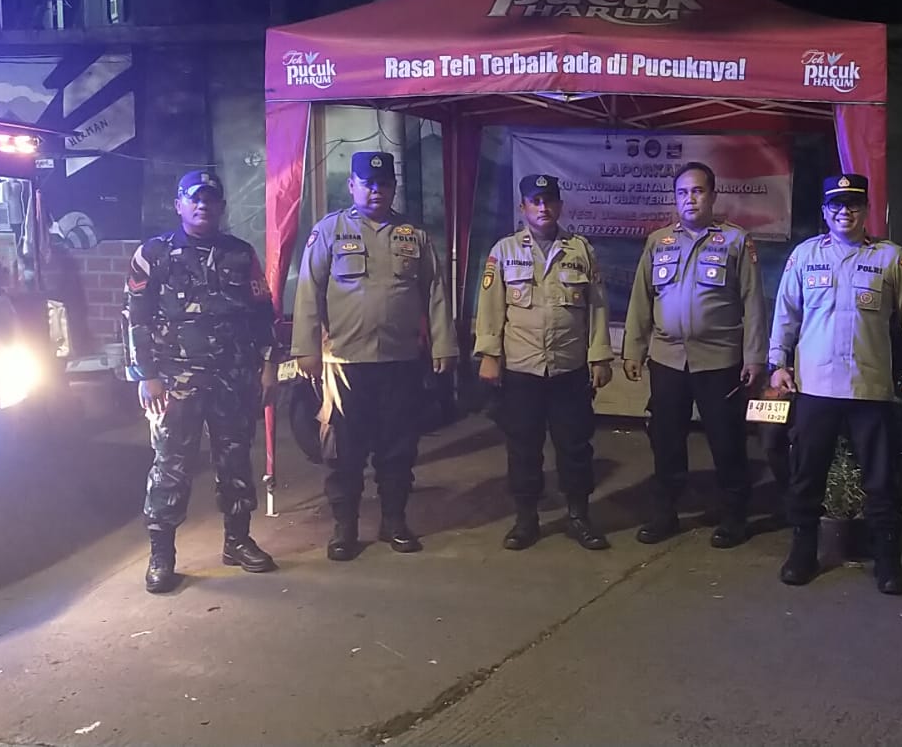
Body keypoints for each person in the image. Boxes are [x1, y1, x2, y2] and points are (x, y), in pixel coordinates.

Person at [768, 173, 902, 595]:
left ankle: (888, 561)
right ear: (825, 212)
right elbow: (786, 313)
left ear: (866, 210)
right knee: (807, 475)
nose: (845, 212)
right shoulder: (805, 256)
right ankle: (802, 553)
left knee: (882, 480)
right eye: (836, 205)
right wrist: (777, 362)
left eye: (854, 204)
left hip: (869, 389)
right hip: (815, 387)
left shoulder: (890, 258)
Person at [124, 170, 285, 594]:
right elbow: (136, 318)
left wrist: (269, 365)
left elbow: (263, 313)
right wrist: (147, 375)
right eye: (195, 199)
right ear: (178, 204)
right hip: (175, 382)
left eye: (211, 199)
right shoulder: (154, 254)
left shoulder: (240, 254)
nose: (203, 206)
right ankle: (162, 555)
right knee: (171, 467)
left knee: (235, 460)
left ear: (221, 206)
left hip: (233, 377)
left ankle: (238, 541)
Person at [293, 152, 458, 560]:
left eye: (384, 184)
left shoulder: (413, 235)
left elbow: (436, 292)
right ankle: (345, 527)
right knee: (344, 451)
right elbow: (308, 292)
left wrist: (444, 344)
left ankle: (394, 522)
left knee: (398, 447)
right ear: (352, 185)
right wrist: (306, 349)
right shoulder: (329, 230)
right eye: (367, 183)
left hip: (400, 361)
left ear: (393, 188)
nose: (376, 191)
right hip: (345, 363)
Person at [622, 162, 767, 547]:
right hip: (667, 358)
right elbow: (641, 299)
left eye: (698, 191)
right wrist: (633, 349)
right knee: (666, 440)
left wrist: (755, 356)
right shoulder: (659, 241)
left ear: (713, 195)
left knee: (726, 440)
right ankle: (665, 513)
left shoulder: (736, 241)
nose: (690, 199)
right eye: (683, 192)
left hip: (719, 360)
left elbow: (753, 302)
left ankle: (734, 516)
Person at [474, 175, 615, 551]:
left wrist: (600, 355)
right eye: (535, 201)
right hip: (522, 370)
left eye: (549, 200)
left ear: (560, 205)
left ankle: (579, 516)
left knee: (575, 447)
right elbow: (490, 309)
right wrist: (490, 355)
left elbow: (598, 307)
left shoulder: (580, 250)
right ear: (522, 207)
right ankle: (526, 520)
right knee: (523, 448)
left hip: (569, 369)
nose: (543, 207)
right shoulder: (504, 251)